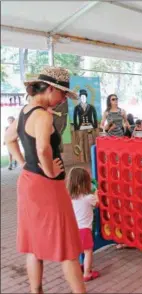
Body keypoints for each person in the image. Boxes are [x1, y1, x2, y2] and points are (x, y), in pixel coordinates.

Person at [4, 66, 85, 293]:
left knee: (33, 245)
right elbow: (42, 148)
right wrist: (49, 171)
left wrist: (23, 164)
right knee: (67, 247)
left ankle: (35, 290)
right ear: (50, 89)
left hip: (29, 182)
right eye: (62, 95)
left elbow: (9, 139)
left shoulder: (25, 111)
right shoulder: (42, 115)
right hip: (48, 187)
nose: (62, 101)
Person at [67, 167, 100, 282]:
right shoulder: (88, 198)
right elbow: (97, 204)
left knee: (76, 252)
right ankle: (87, 273)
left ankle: (77, 270)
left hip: (73, 230)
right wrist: (96, 193)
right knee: (88, 252)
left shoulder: (69, 198)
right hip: (85, 231)